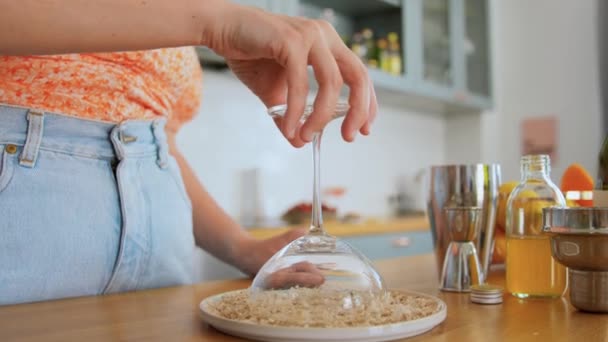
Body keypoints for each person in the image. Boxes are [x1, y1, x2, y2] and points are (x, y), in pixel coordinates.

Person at [0, 0, 378, 305]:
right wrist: (217, 22)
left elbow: (162, 147)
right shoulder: (203, 16)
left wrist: (242, 247)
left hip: (162, 254)